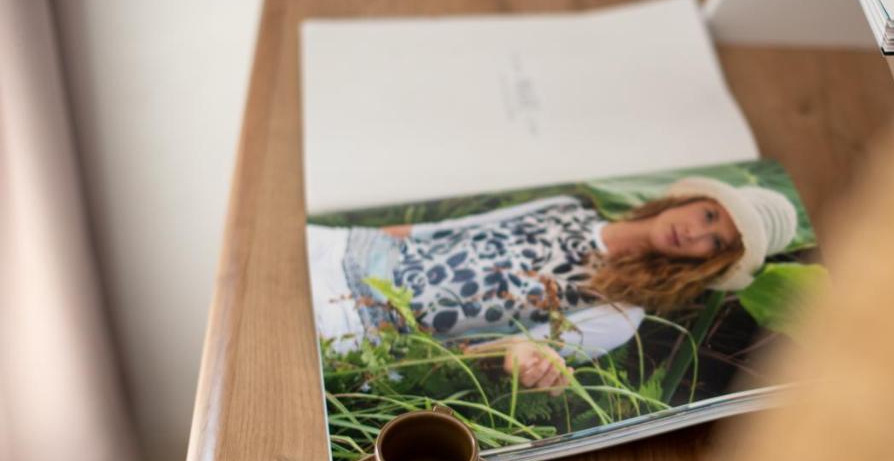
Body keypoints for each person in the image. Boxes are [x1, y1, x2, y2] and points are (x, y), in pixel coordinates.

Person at [306, 176, 798, 394]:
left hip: (363, 325)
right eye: (708, 215)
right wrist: (355, 238)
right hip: (350, 249)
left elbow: (513, 349)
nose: (695, 232)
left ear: (706, 265)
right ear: (689, 200)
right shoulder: (568, 206)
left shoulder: (620, 313)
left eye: (714, 244)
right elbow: (459, 229)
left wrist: (524, 357)